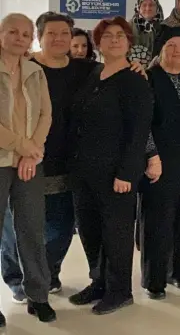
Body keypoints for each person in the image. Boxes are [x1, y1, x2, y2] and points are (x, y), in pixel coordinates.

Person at [1, 14, 95, 305]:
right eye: (51, 33)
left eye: (64, 33)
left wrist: (139, 67)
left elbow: (117, 71)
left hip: (64, 162)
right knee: (15, 227)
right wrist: (28, 150)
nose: (59, 38)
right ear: (40, 38)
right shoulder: (29, 65)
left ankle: (47, 274)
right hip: (20, 160)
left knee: (60, 226)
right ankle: (16, 279)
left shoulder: (84, 69)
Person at [68, 16, 153, 315]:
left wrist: (127, 172)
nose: (114, 40)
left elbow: (139, 131)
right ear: (98, 43)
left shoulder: (135, 80)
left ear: (129, 42)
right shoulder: (93, 73)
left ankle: (120, 291)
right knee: (89, 229)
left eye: (120, 35)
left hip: (116, 172)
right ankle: (99, 281)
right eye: (107, 36)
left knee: (116, 232)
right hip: (84, 170)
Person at [0, 13, 56, 325]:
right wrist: (22, 145)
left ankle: (38, 296)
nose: (20, 38)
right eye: (13, 32)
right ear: (0, 34)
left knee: (32, 229)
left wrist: (32, 152)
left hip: (29, 163)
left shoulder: (35, 71)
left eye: (25, 34)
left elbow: (46, 114)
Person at [140, 27, 180, 299]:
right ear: (161, 49)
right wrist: (151, 156)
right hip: (161, 163)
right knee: (159, 223)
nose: (179, 50)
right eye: (172, 45)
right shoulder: (149, 78)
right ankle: (155, 281)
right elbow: (143, 123)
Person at [129, 0, 166, 67]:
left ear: (157, 8)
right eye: (144, 5)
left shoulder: (164, 28)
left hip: (158, 69)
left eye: (151, 5)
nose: (148, 8)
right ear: (138, 7)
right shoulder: (128, 27)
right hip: (132, 68)